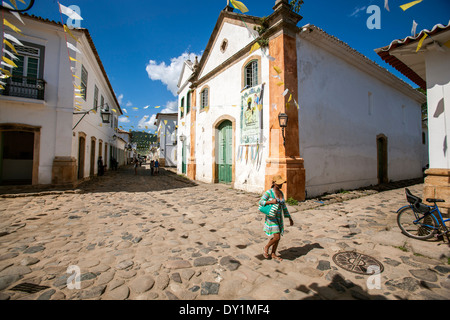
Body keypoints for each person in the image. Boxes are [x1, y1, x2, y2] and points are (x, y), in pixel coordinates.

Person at [259, 175, 294, 261]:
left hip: (279, 217)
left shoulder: (281, 193)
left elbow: (284, 206)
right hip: (271, 217)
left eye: (281, 183)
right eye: (279, 183)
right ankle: (266, 247)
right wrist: (270, 201)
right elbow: (261, 202)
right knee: (277, 236)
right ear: (274, 183)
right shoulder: (269, 192)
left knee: (277, 236)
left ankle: (273, 253)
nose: (281, 184)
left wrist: (289, 217)